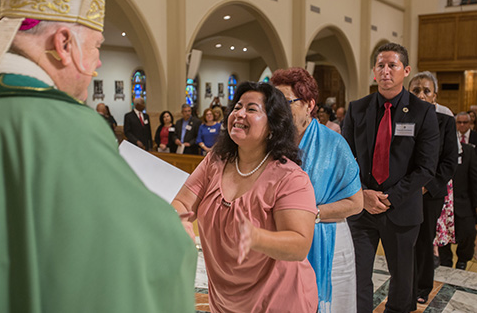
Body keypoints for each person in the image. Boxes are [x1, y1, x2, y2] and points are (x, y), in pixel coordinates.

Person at [0, 0, 197, 312]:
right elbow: (136, 258)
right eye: (96, 47)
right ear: (63, 44)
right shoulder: (67, 125)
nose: (97, 65)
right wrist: (176, 237)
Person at [172, 81, 319, 312]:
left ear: (273, 126)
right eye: (237, 107)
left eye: (251, 109)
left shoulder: (290, 178)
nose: (239, 114)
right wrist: (180, 220)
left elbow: (299, 244)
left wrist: (257, 238)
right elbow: (182, 201)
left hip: (278, 300)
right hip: (225, 299)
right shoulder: (215, 162)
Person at [342, 43, 439, 313]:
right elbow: (346, 160)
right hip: (361, 209)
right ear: (374, 71)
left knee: (402, 281)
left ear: (405, 70)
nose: (386, 71)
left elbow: (426, 168)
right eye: (380, 65)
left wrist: (388, 198)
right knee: (358, 276)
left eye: (392, 65)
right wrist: (363, 194)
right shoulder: (357, 109)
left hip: (402, 209)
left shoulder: (423, 112)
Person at [271, 67, 363, 313]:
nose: (277, 109)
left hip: (328, 240)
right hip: (281, 240)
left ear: (309, 104)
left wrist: (311, 213)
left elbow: (356, 203)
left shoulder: (334, 144)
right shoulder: (270, 145)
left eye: (286, 102)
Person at [408, 71, 458, 305]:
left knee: (424, 239)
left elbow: (449, 161)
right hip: (404, 190)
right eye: (416, 90)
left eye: (426, 90)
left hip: (429, 193)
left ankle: (422, 285)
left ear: (435, 95)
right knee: (403, 239)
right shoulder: (402, 117)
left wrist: (426, 187)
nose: (421, 94)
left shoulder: (445, 120)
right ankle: (404, 282)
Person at [438, 140, 477, 270]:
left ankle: (462, 262)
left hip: (464, 203)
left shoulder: (469, 151)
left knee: (468, 234)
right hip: (441, 205)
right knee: (442, 238)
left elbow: (474, 179)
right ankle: (445, 263)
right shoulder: (438, 148)